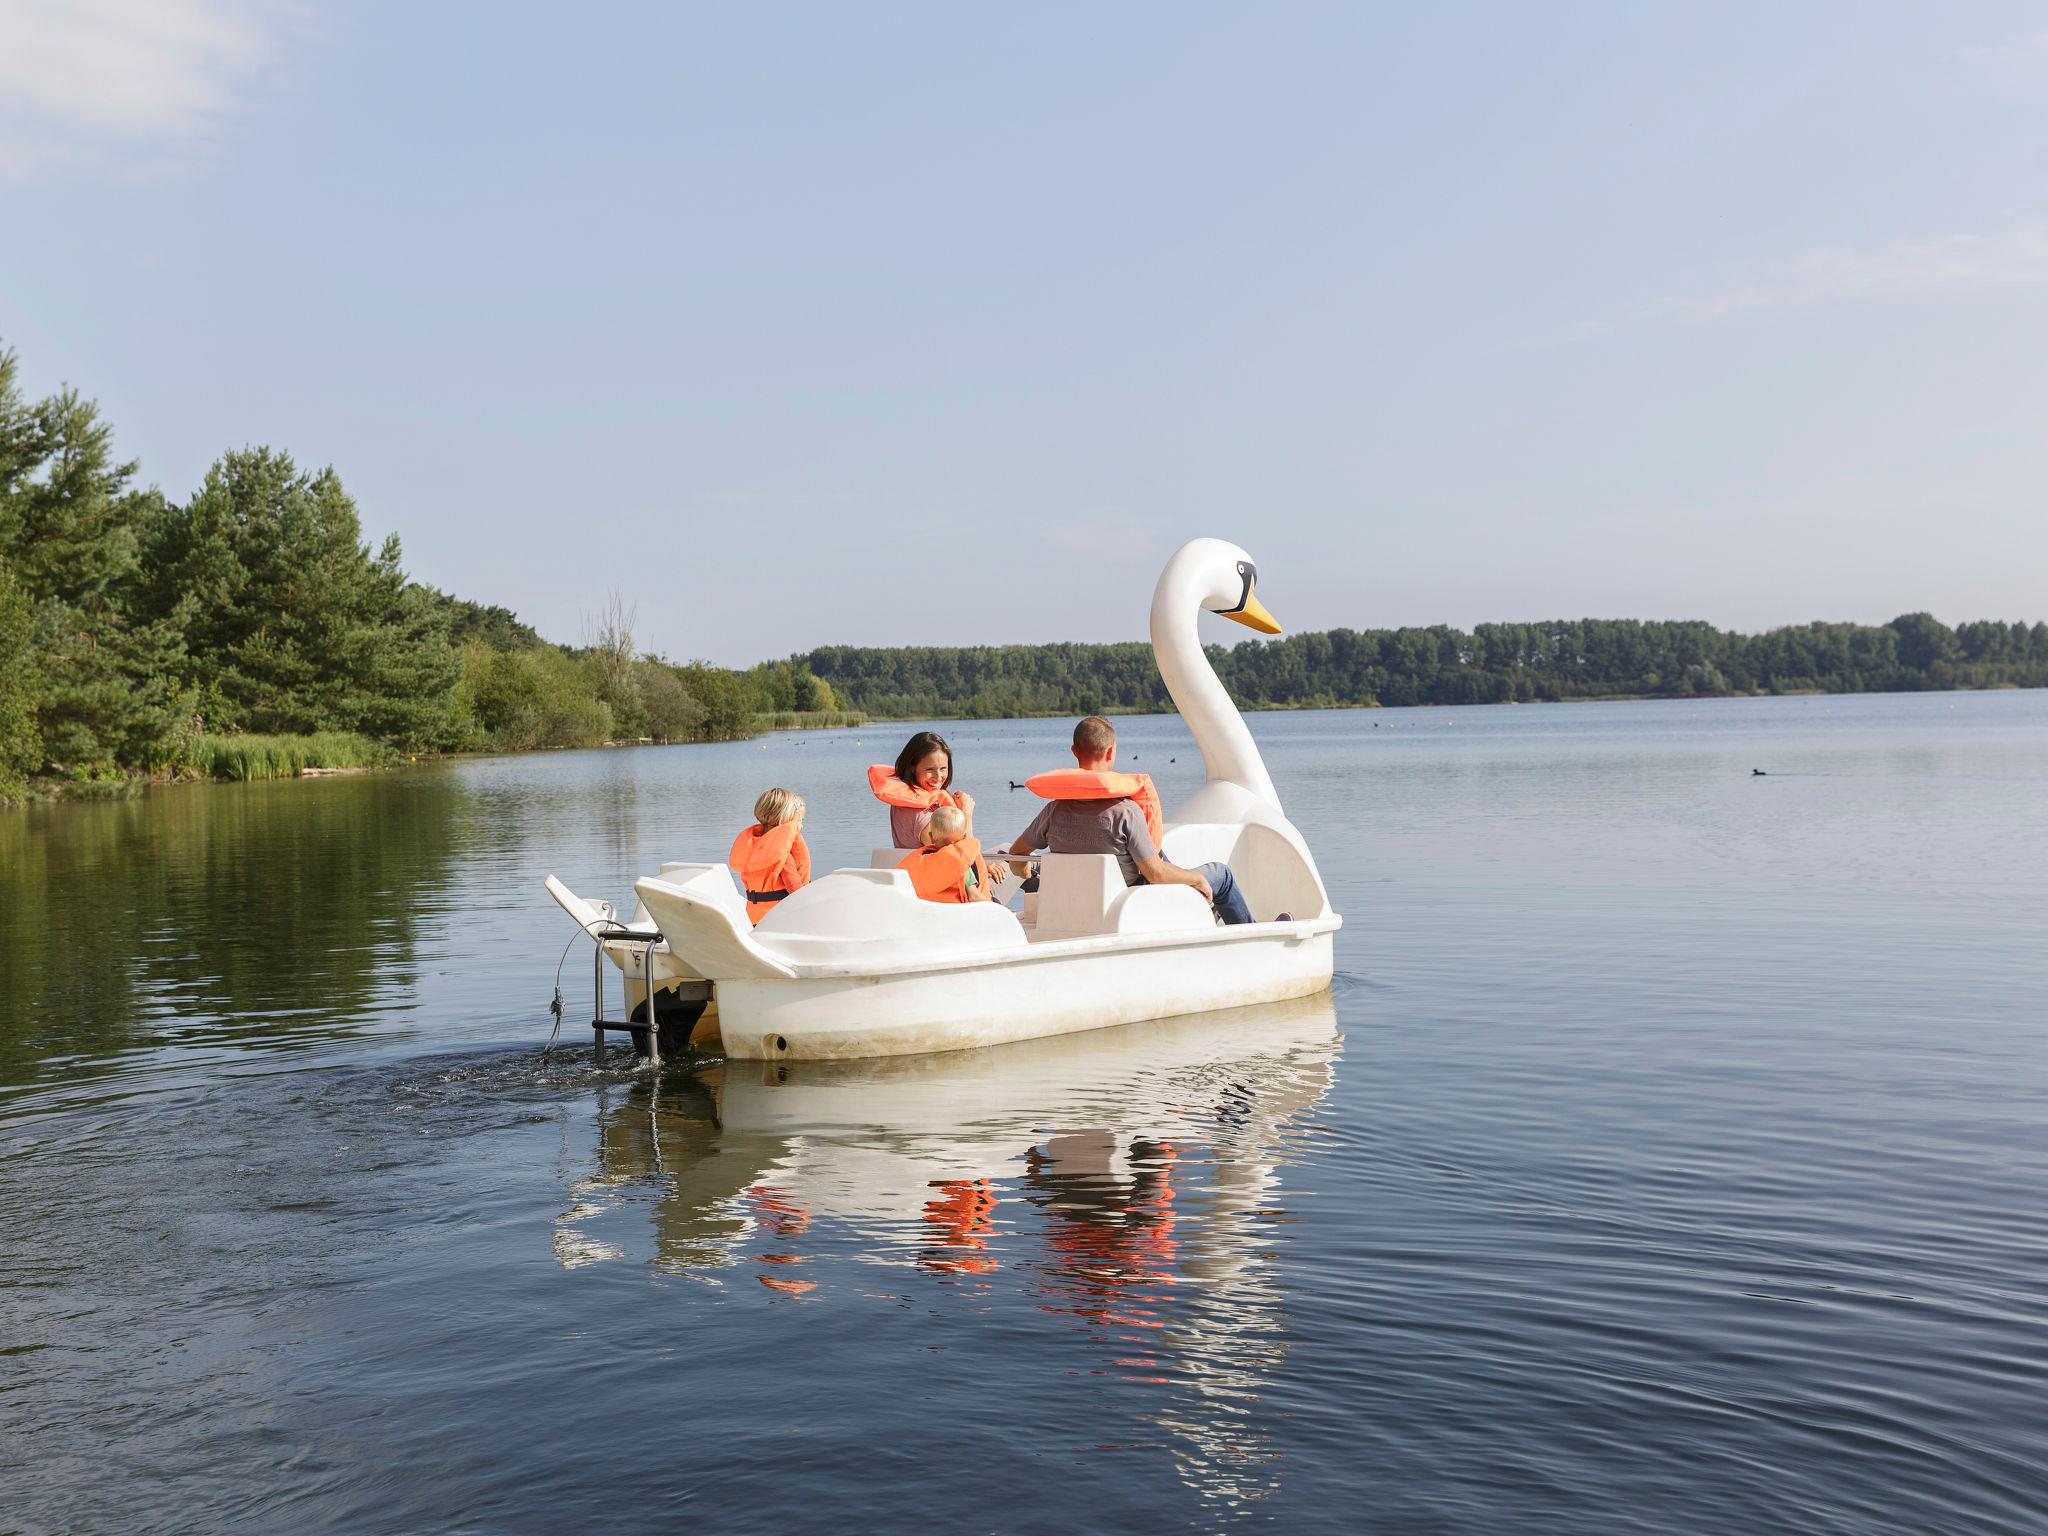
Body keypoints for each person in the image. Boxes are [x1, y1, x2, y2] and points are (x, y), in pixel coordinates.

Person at [1009, 716, 1254, 925]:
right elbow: (1155, 875)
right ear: (1111, 752)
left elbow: (1016, 856)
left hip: (1074, 903)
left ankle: (1206, 915)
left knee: (1159, 851)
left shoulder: (1053, 812)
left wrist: (1034, 877)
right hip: (1130, 901)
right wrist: (1196, 879)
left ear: (1074, 751)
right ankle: (1253, 937)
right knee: (1221, 875)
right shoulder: (1126, 812)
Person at [869, 730, 1007, 886]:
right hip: (956, 891)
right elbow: (959, 858)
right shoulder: (921, 813)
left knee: (1008, 850)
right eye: (930, 770)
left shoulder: (907, 801)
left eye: (943, 768)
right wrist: (967, 813)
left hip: (927, 881)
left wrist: (985, 866)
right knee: (1021, 862)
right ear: (913, 767)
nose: (938, 777)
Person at [727, 787, 810, 924]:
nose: (801, 826)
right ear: (786, 820)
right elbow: (795, 890)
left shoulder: (754, 847)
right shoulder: (781, 852)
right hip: (780, 919)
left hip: (755, 918)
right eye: (800, 821)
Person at [898, 805, 994, 904]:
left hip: (928, 912)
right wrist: (999, 909)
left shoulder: (917, 862)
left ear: (931, 836)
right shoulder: (960, 862)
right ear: (964, 836)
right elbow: (974, 896)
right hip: (958, 914)